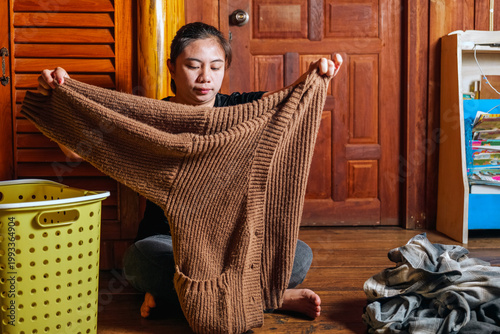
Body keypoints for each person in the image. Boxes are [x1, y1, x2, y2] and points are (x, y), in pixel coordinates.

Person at [38, 22, 342, 321]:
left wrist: (313, 76)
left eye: (216, 67)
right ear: (171, 67)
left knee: (298, 256)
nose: (205, 77)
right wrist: (58, 94)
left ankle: (182, 300)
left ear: (225, 67)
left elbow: (288, 100)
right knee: (139, 263)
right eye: (193, 66)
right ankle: (269, 299)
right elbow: (74, 150)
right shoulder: (149, 118)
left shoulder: (243, 108)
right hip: (168, 243)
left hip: (235, 242)